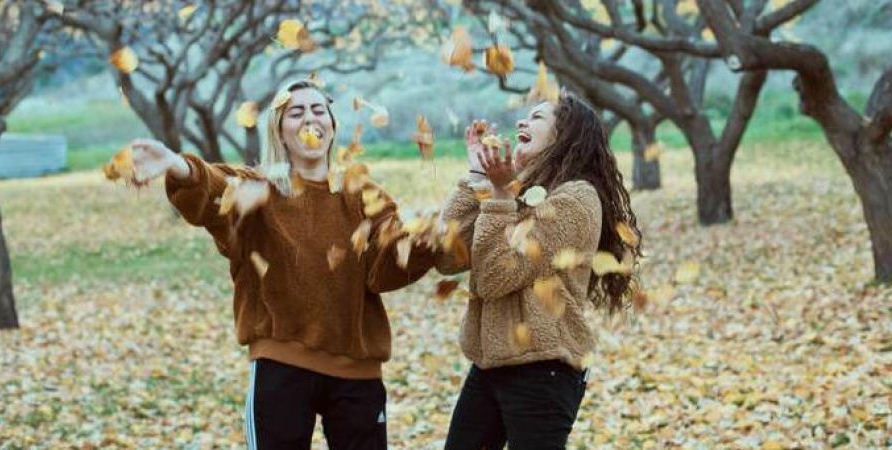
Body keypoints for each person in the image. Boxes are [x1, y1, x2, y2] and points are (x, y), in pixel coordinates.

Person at [125, 79, 435, 450]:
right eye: (296, 111)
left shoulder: (362, 195)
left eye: (319, 110)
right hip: (281, 365)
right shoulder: (259, 191)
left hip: (357, 371)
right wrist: (180, 167)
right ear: (280, 130)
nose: (310, 118)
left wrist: (423, 237)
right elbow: (215, 189)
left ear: (332, 126)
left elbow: (387, 263)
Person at [436, 92, 643, 449]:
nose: (521, 123)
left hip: (543, 370)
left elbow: (493, 276)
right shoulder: (519, 190)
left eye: (536, 117)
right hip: (491, 364)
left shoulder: (576, 199)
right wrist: (477, 177)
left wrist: (499, 197)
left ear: (565, 134)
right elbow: (446, 255)